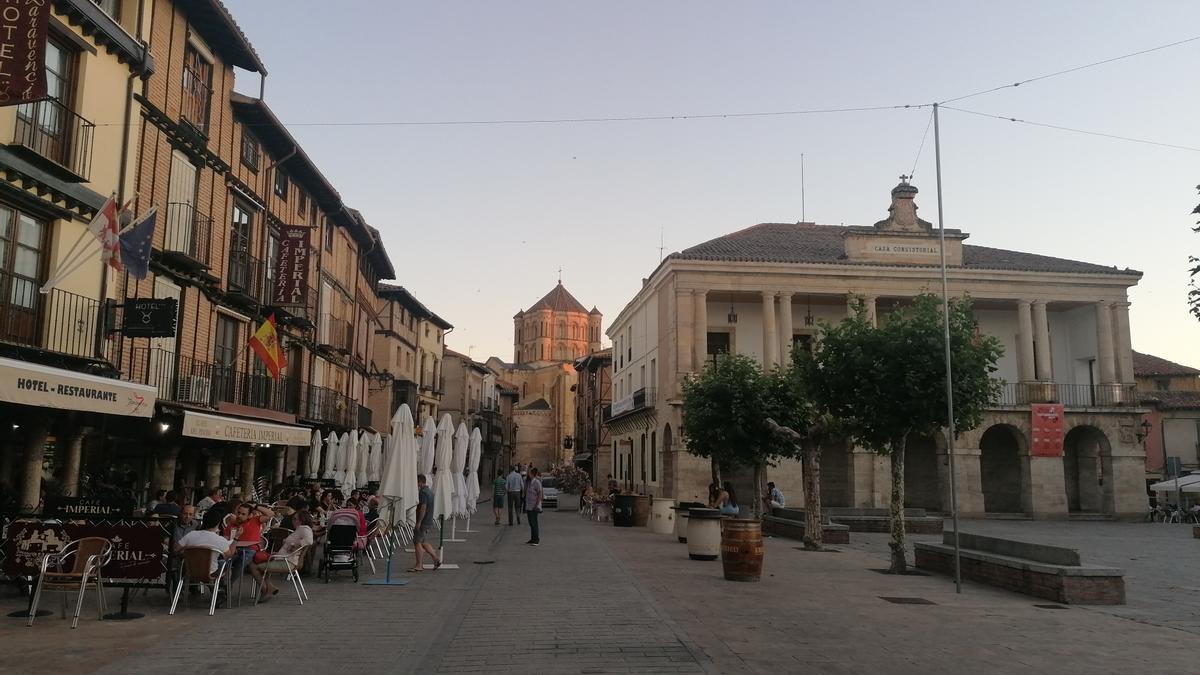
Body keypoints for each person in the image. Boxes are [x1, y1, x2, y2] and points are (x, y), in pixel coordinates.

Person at [249, 508, 314, 601]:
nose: (293, 521)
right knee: (260, 564)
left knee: (253, 566)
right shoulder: (300, 529)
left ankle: (265, 590)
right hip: (285, 559)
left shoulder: (304, 529)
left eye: (294, 519)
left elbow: (309, 541)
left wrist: (294, 545)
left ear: (301, 520)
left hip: (287, 562)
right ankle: (270, 588)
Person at [176, 509, 237, 587]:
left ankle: (216, 591)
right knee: (225, 563)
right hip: (210, 572)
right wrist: (235, 539)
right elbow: (229, 555)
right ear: (218, 523)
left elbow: (176, 549)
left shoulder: (191, 535)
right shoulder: (219, 540)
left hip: (189, 570)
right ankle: (220, 591)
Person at [409, 474, 441, 572]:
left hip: (423, 521)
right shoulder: (430, 491)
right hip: (428, 520)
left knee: (417, 542)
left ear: (420, 482)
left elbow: (423, 508)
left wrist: (418, 522)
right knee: (423, 541)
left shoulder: (422, 492)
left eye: (416, 482)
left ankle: (419, 565)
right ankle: (435, 558)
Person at [525, 467, 543, 546]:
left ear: (532, 474)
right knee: (531, 523)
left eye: (529, 473)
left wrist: (536, 504)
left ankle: (536, 539)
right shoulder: (529, 482)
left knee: (534, 522)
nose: (528, 474)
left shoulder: (537, 482)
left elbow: (540, 493)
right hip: (529, 505)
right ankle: (532, 538)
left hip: (534, 506)